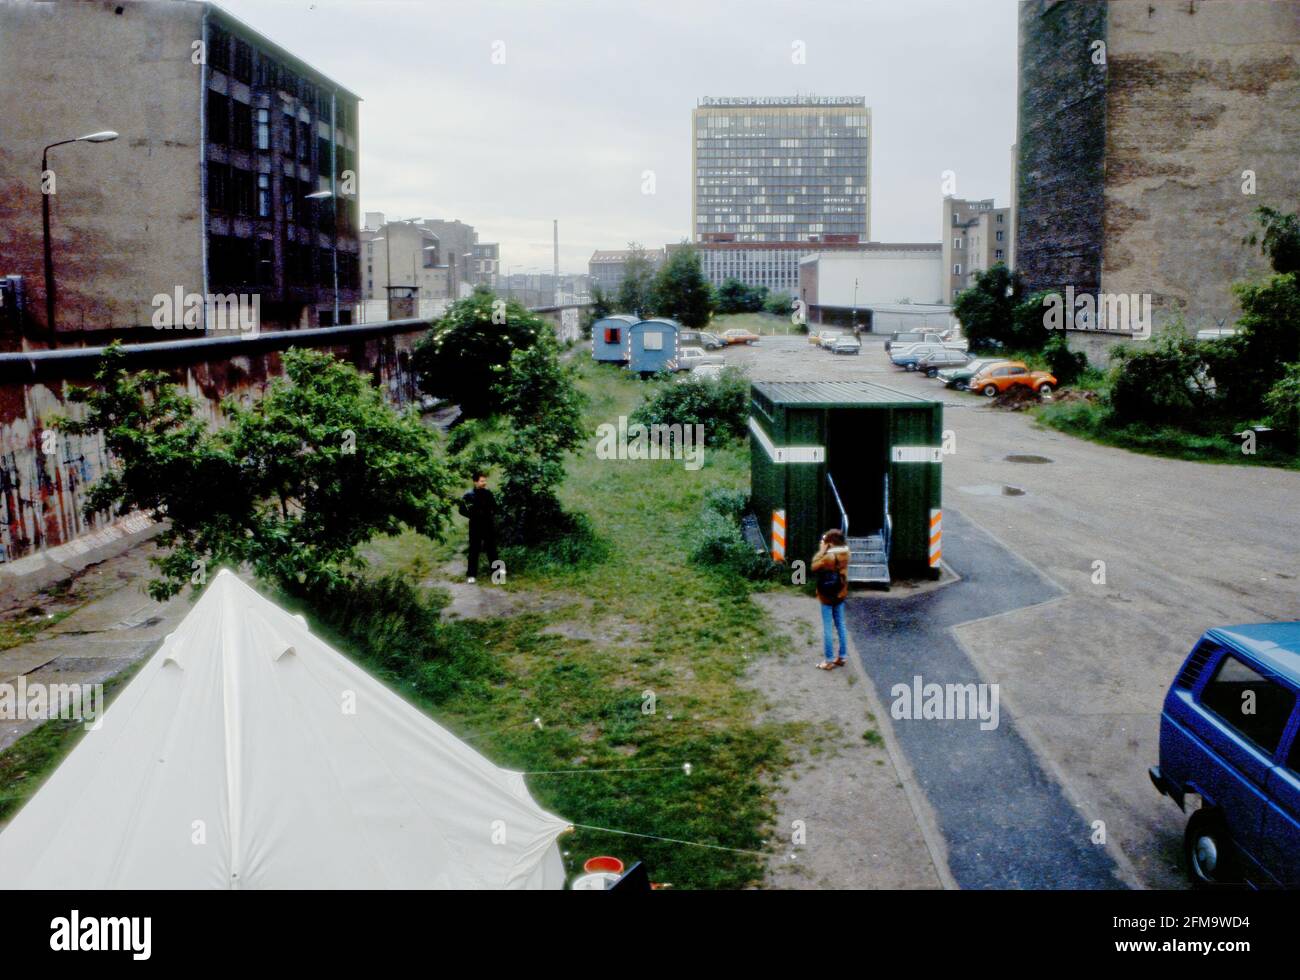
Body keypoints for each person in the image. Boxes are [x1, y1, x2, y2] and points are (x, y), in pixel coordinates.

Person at [810, 528, 850, 670]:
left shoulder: (828, 557)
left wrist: (821, 550)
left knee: (827, 626)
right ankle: (843, 656)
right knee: (840, 624)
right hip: (840, 592)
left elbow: (814, 566)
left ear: (831, 543)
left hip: (826, 595)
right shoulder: (846, 553)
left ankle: (828, 660)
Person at [458, 472, 498, 584]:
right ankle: (471, 575)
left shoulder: (488, 493)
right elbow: (461, 510)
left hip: (488, 525)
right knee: (474, 550)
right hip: (475, 526)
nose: (484, 483)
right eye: (482, 481)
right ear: (475, 482)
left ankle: (496, 574)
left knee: (492, 549)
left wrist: (490, 515)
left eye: (485, 481)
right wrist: (472, 516)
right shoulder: (468, 495)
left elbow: (495, 507)